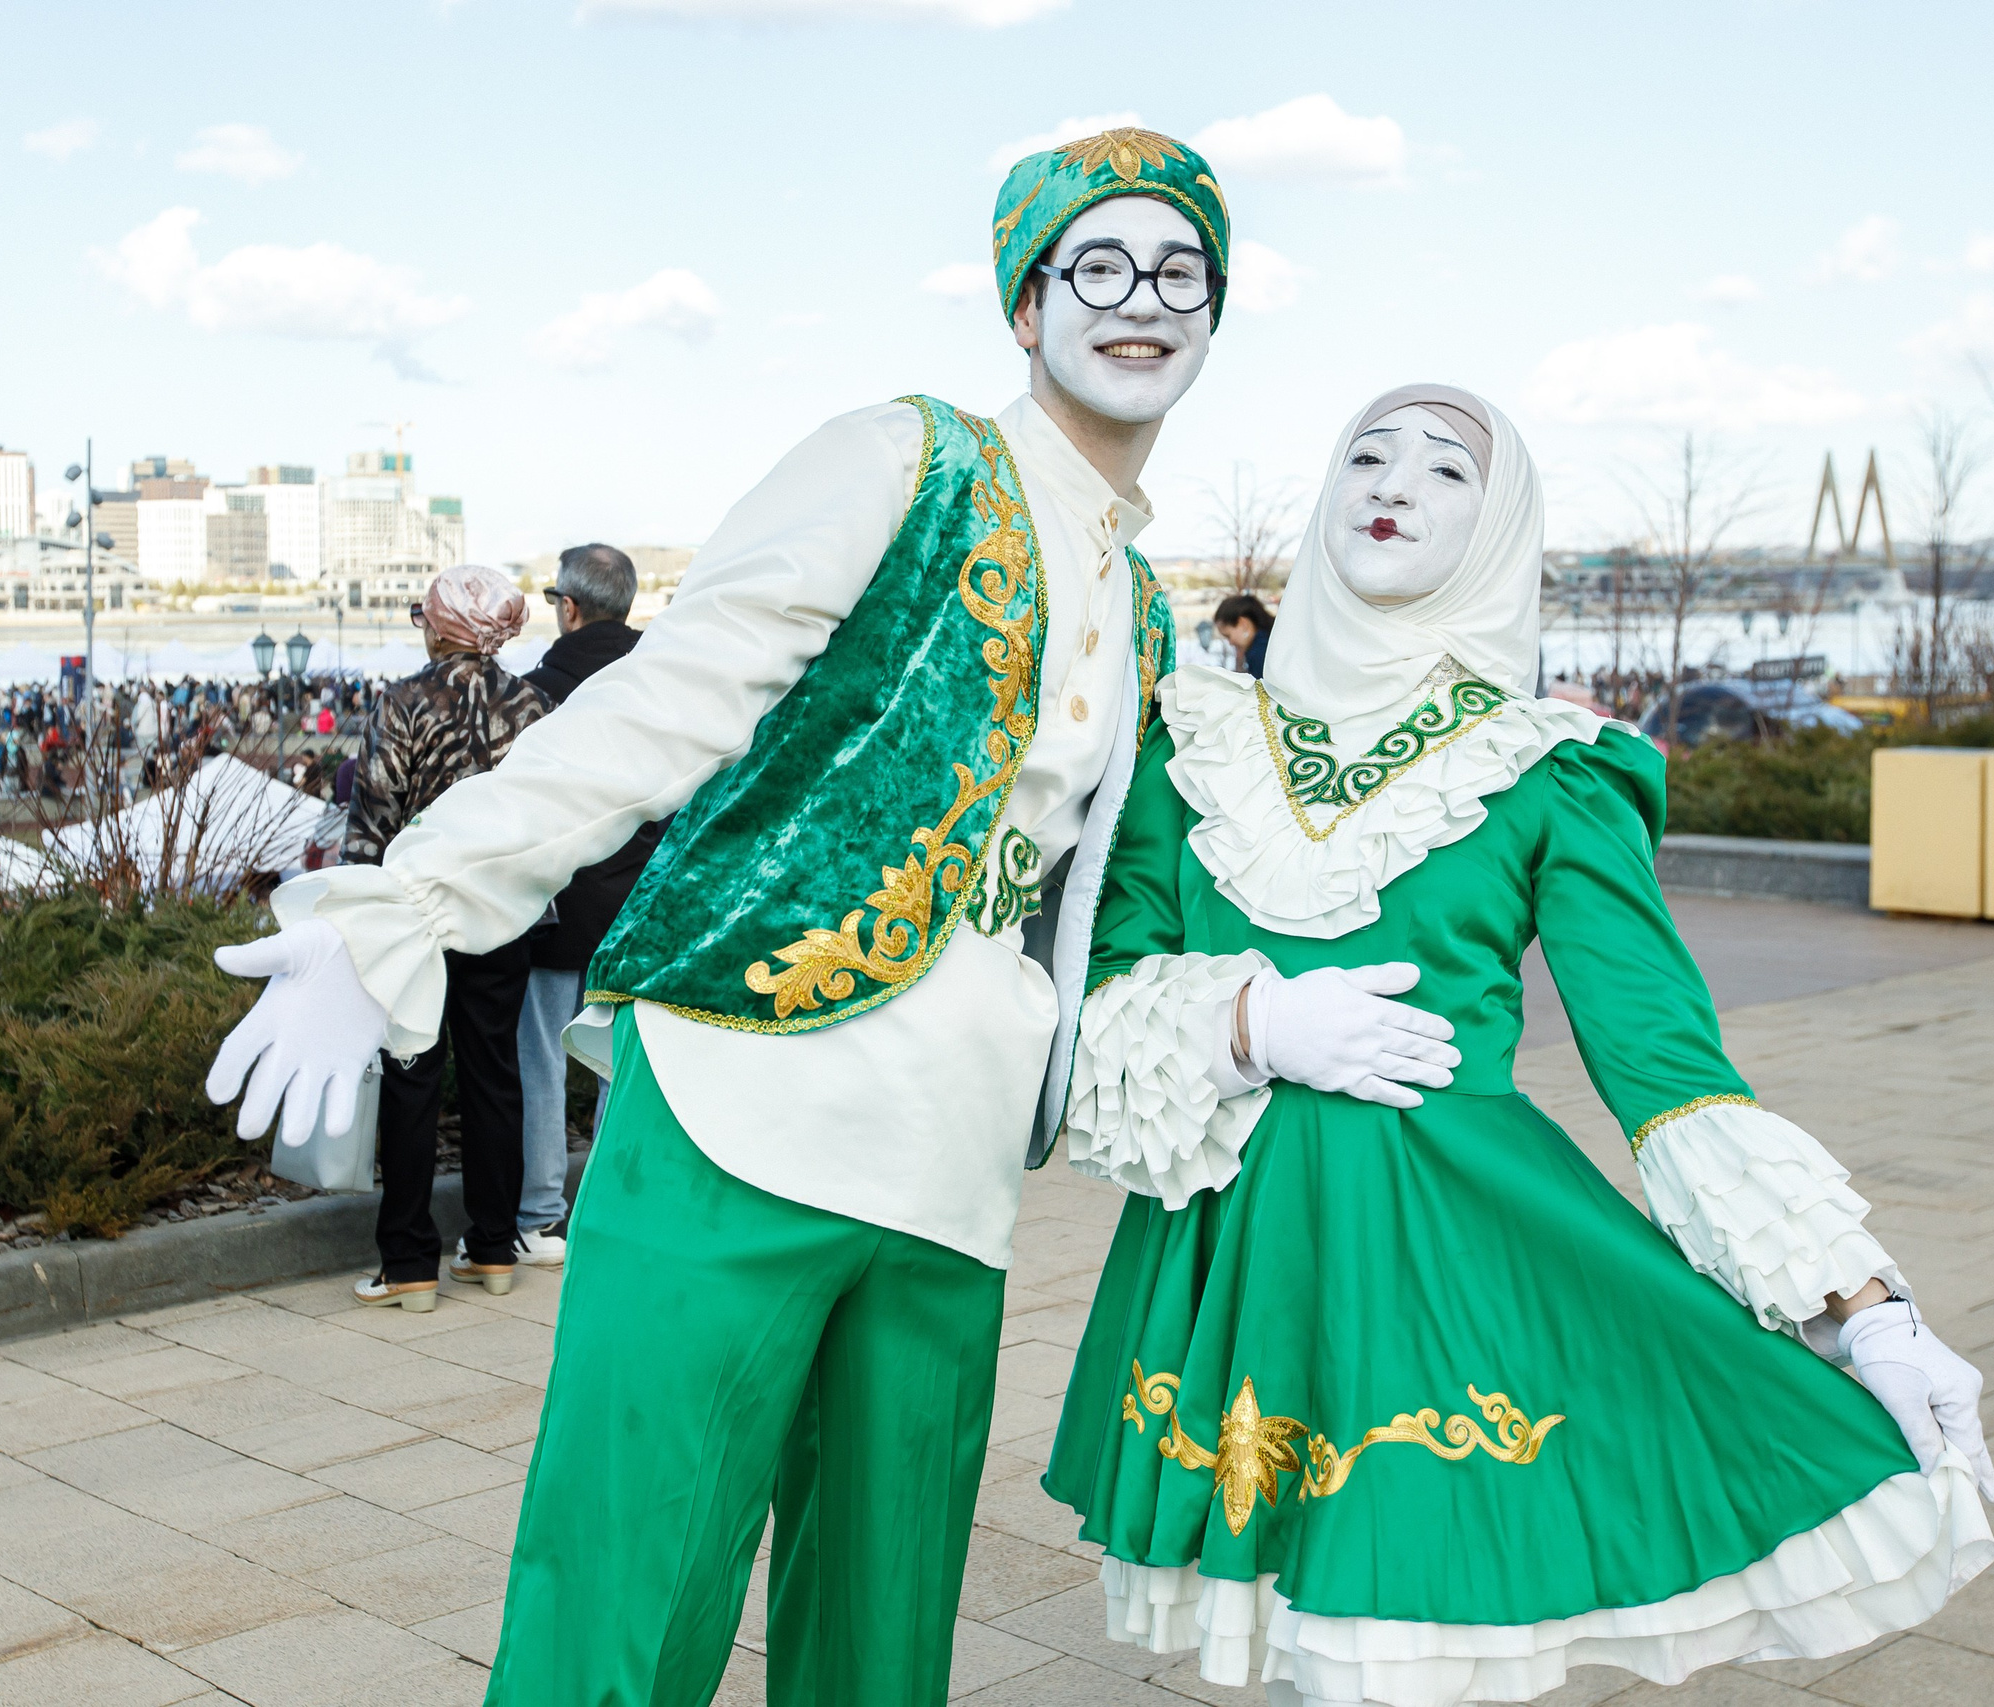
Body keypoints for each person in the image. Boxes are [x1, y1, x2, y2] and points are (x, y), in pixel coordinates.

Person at [203, 127, 1231, 1704]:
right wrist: (411, 901)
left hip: (953, 1161)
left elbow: (1129, 892)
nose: (1140, 299)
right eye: (1099, 263)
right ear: (1028, 304)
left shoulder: (1151, 604)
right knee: (622, 1604)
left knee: (881, 1647)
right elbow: (672, 700)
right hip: (749, 1090)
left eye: (1180, 269)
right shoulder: (908, 455)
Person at [1043, 386, 1994, 1704]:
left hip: (1457, 1257)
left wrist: (1866, 1306)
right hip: (1244, 1252)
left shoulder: (1549, 768)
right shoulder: (1191, 738)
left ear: (1498, 532)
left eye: (1448, 472)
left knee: (1410, 1648)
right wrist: (1249, 1024)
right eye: (1366, 456)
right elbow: (1097, 989)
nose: (1395, 484)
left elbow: (1664, 1061)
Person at [304, 564, 550, 1312]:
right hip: (503, 910)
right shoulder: (534, 704)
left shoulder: (404, 700)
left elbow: (372, 815)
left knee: (412, 1077)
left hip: (416, 911)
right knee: (493, 1073)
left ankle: (409, 1260)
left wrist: (352, 910)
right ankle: (492, 1245)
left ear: (441, 625)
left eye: (424, 613)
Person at [489, 543, 669, 1269]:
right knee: (617, 1065)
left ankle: (538, 1214)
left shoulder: (538, 690)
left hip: (563, 899)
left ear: (567, 607)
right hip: (639, 896)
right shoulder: (663, 678)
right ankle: (609, 1202)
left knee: (540, 1061)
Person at [1214, 591, 1273, 677]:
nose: (1230, 642)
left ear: (1243, 624)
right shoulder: (1271, 640)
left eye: (1228, 636)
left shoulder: (1259, 653)